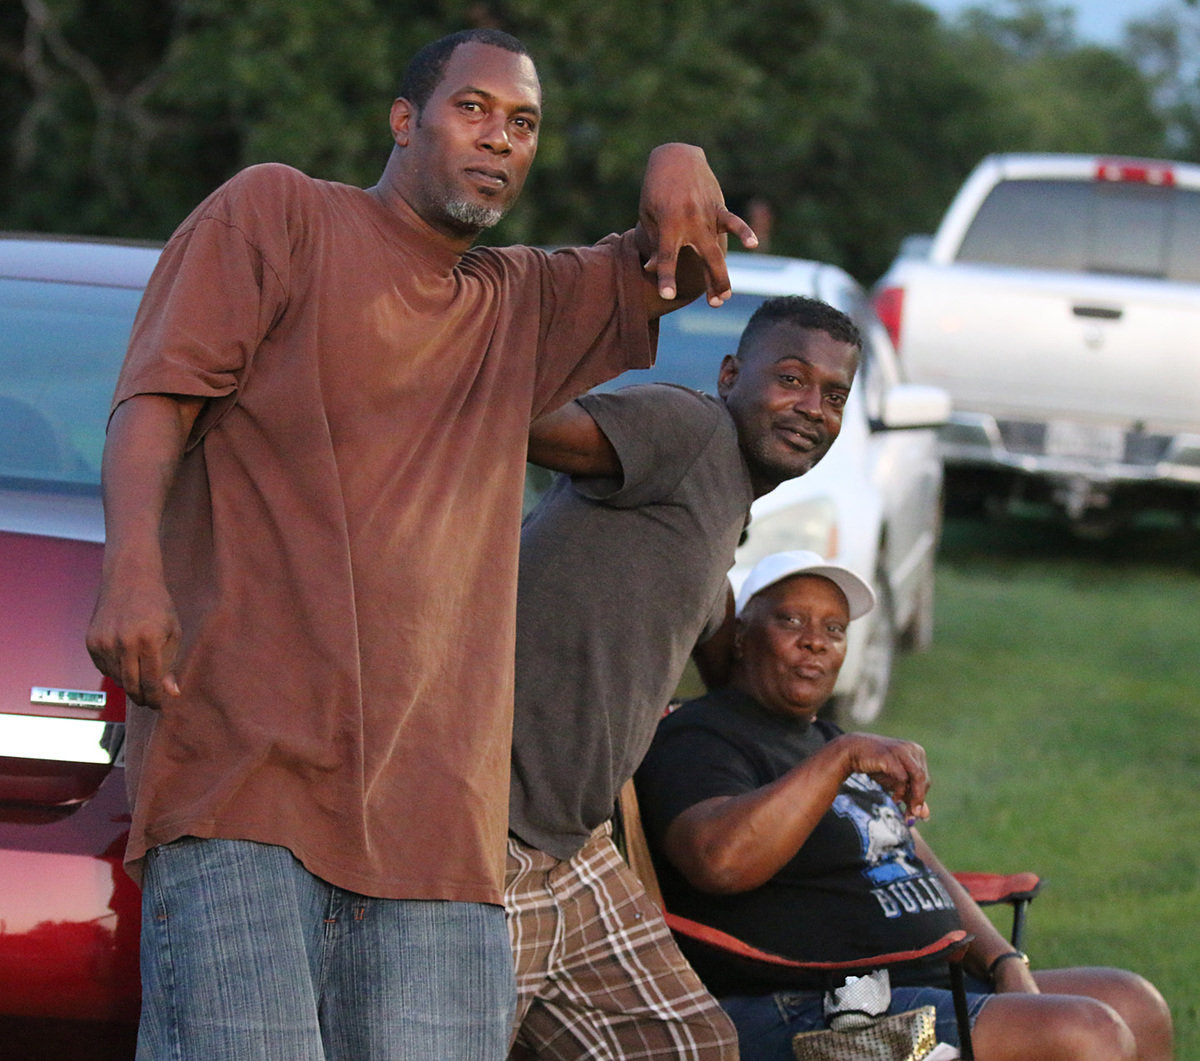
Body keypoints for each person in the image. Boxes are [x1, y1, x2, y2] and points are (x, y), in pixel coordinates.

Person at [84, 27, 757, 1061]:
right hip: (242, 769)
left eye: (523, 123)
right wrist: (132, 569)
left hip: (437, 815)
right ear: (405, 122)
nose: (499, 139)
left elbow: (670, 264)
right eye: (472, 109)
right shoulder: (281, 214)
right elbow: (154, 401)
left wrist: (679, 157)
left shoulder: (516, 302)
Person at [635, 550, 1174, 1061]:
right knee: (1086, 1034)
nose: (816, 643)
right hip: (825, 1007)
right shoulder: (702, 736)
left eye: (834, 629)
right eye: (791, 622)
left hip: (919, 982)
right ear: (742, 638)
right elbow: (718, 861)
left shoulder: (823, 737)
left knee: (1134, 1002)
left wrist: (1003, 961)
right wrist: (840, 759)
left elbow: (921, 863)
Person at [506, 297, 862, 1059]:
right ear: (732, 375)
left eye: (834, 395)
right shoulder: (689, 428)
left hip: (572, 848)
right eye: (792, 378)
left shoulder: (719, 509)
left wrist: (787, 658)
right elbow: (519, 421)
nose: (812, 408)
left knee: (689, 1044)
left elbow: (709, 617)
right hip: (487, 833)